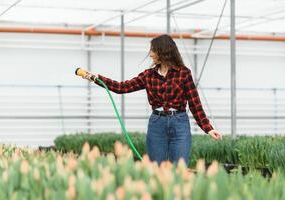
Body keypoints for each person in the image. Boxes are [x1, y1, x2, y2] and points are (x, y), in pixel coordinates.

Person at [81, 34, 222, 166]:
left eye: (153, 50)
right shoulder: (148, 75)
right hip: (157, 124)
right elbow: (121, 87)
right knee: (155, 168)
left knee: (180, 168)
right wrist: (96, 78)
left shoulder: (183, 73)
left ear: (163, 51)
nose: (151, 54)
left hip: (179, 124)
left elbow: (194, 103)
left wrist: (208, 128)